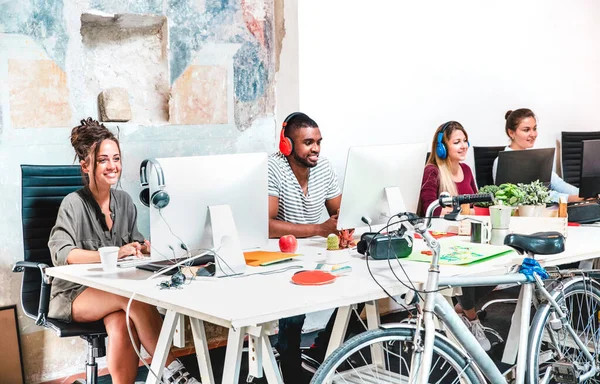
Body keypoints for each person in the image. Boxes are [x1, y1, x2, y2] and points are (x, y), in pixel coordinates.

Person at [48, 118, 199, 384]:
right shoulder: (72, 204)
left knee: (121, 321)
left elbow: (135, 244)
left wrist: (144, 247)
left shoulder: (125, 202)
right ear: (86, 165)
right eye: (103, 159)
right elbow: (64, 254)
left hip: (114, 292)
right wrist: (115, 253)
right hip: (73, 295)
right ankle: (174, 372)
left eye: (116, 158)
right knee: (134, 298)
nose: (112, 166)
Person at [269, 112, 364, 380]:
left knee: (362, 286)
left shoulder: (323, 167)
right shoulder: (273, 168)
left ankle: (322, 352)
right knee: (294, 307)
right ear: (286, 145)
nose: (316, 149)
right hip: (283, 254)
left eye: (319, 142)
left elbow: (340, 211)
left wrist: (344, 228)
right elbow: (266, 225)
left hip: (319, 249)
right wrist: (319, 229)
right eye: (308, 142)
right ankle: (290, 367)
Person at [418, 121, 493, 351]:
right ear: (442, 147)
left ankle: (460, 310)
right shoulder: (433, 171)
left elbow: (476, 202)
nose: (463, 147)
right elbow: (428, 208)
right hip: (442, 237)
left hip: (467, 234)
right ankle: (472, 319)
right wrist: (454, 212)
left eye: (464, 141)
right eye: (456, 142)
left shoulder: (467, 170)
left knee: (501, 268)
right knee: (466, 269)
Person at [493, 108, 584, 203]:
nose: (533, 134)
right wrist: (569, 198)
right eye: (526, 130)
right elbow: (526, 195)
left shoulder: (536, 158)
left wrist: (584, 194)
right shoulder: (502, 162)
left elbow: (558, 184)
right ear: (511, 133)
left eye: (534, 129)